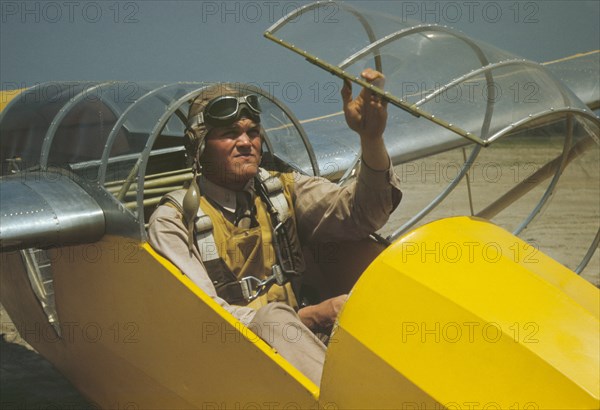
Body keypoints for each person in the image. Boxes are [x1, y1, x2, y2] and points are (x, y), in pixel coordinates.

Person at [147, 69, 402, 385]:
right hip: (227, 363)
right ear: (199, 146)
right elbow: (207, 317)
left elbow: (363, 215)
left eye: (252, 131)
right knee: (272, 319)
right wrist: (308, 317)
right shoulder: (175, 221)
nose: (246, 142)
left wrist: (371, 138)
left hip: (297, 348)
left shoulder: (280, 191)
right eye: (229, 133)